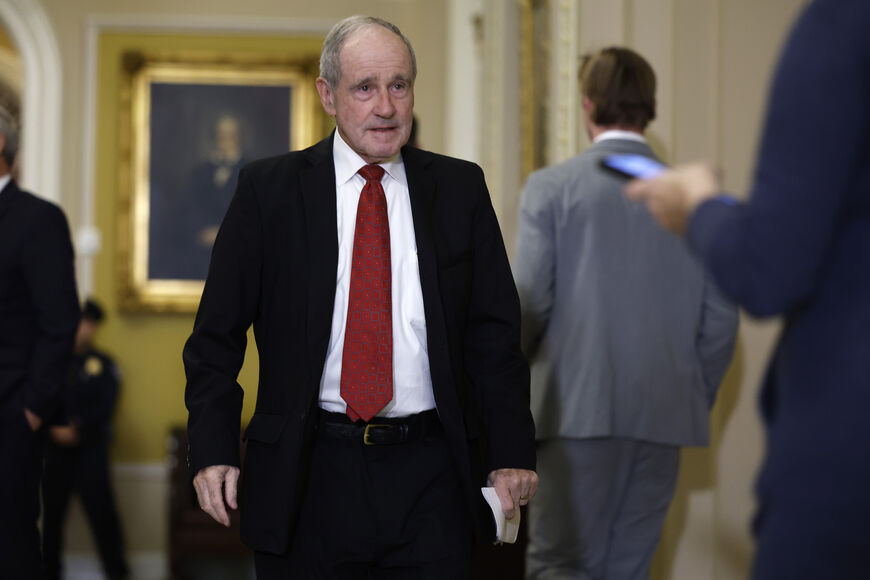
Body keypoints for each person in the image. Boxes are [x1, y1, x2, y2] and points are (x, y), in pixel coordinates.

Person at [183, 15, 538, 579]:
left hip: (432, 474)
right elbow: (214, 339)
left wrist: (511, 451)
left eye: (399, 85)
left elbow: (494, 334)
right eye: (365, 88)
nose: (386, 107)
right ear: (328, 94)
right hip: (309, 472)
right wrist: (213, 449)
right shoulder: (268, 191)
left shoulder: (459, 188)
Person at [625, 1, 870, 577]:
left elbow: (766, 270)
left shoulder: (843, 25)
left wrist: (700, 206)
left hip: (847, 454)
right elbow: (716, 322)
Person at [513, 47, 738, 579]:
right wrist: (684, 392)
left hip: (571, 415)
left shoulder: (553, 188)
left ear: (587, 106)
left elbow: (529, 307)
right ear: (650, 107)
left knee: (558, 565)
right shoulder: (696, 198)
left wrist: (503, 397)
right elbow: (722, 323)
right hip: (662, 419)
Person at [0, 105, 80, 578]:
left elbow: (59, 323)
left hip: (9, 416)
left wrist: (30, 409)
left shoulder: (37, 220)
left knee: (9, 549)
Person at [41, 299, 130, 580]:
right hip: (54, 453)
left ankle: (117, 572)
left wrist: (77, 429)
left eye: (88, 323)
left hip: (91, 452)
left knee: (103, 517)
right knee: (52, 519)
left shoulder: (104, 365)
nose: (82, 329)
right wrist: (54, 428)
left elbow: (106, 406)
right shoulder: (49, 364)